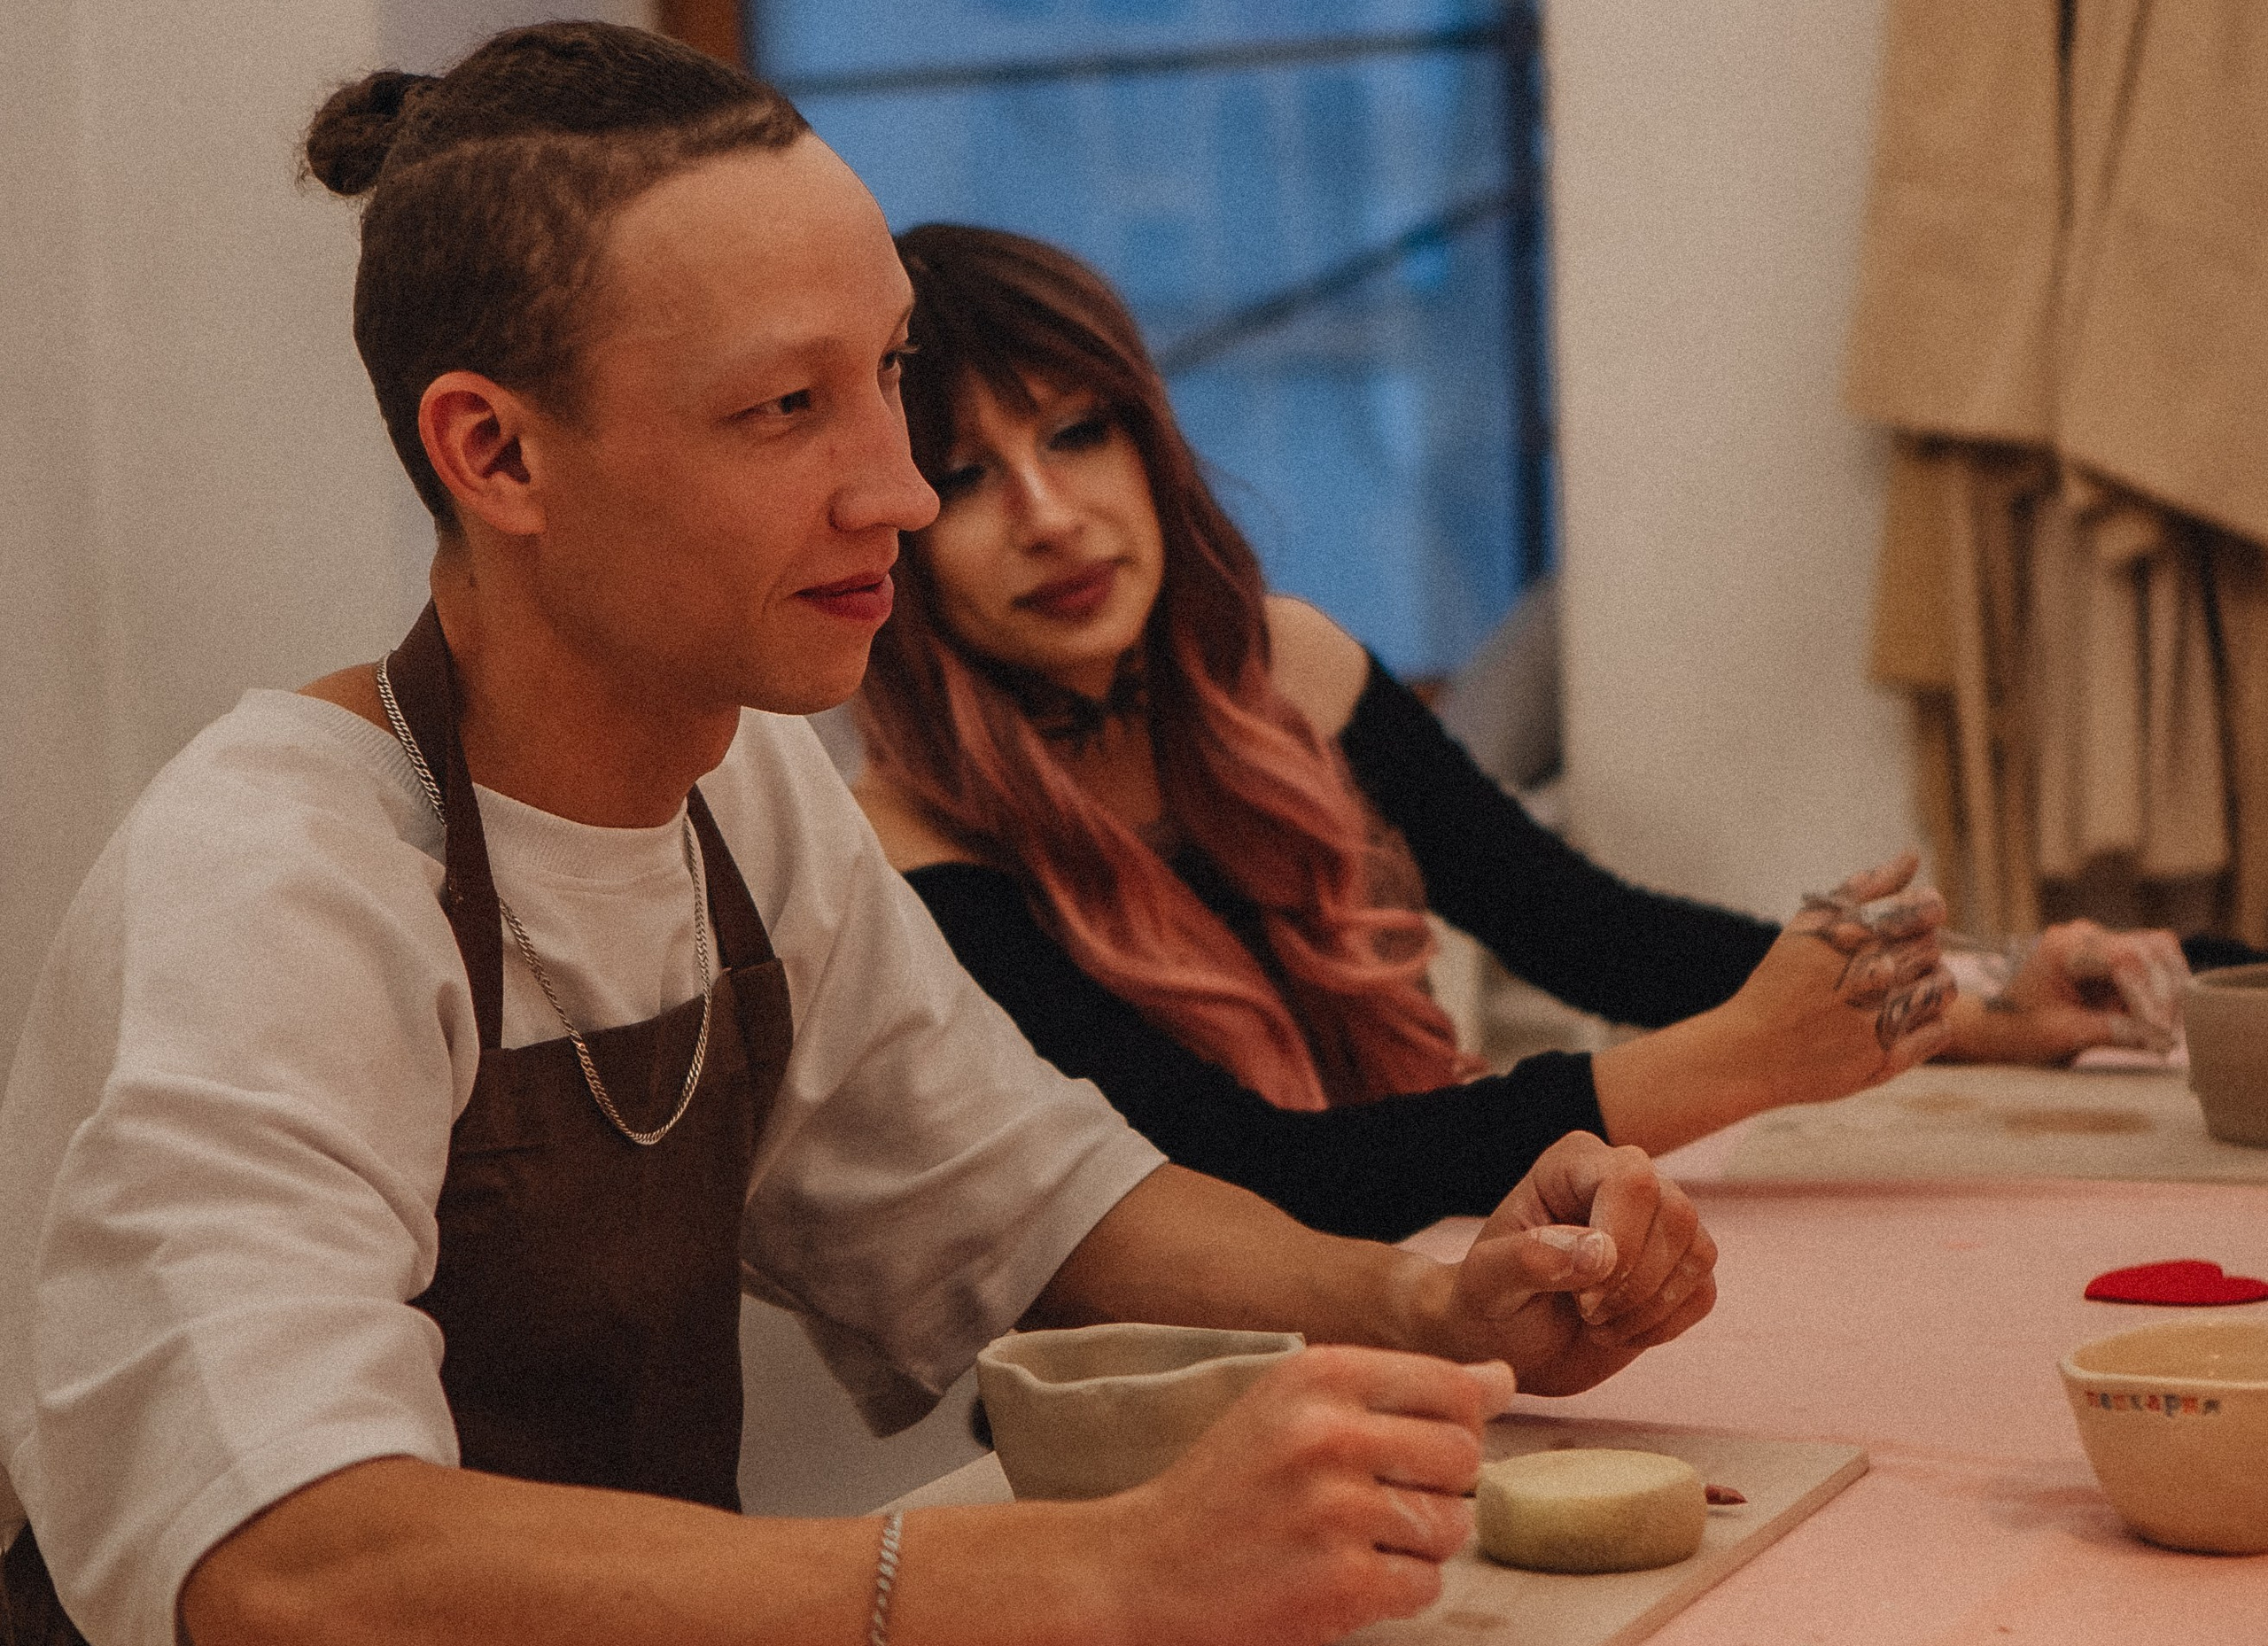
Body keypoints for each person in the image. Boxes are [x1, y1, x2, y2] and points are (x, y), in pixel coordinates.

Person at [0, 24, 1717, 1646]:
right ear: (495, 453)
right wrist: (1104, 1577)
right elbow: (295, 1598)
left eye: (885, 375)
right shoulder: (276, 880)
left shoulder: (745, 792)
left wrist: (1433, 1300)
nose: (897, 490)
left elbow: (1036, 1204)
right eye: (784, 410)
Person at [850, 225, 2195, 1242]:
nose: (1050, 516)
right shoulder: (904, 847)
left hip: (1423, 1284)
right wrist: (1739, 1059)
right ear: (892, 530)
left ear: (1151, 442)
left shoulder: (1286, 665)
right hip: (1145, 1401)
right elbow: (1248, 1175)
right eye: (962, 477)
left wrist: (1987, 1000)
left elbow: (1589, 933)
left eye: (1079, 433)